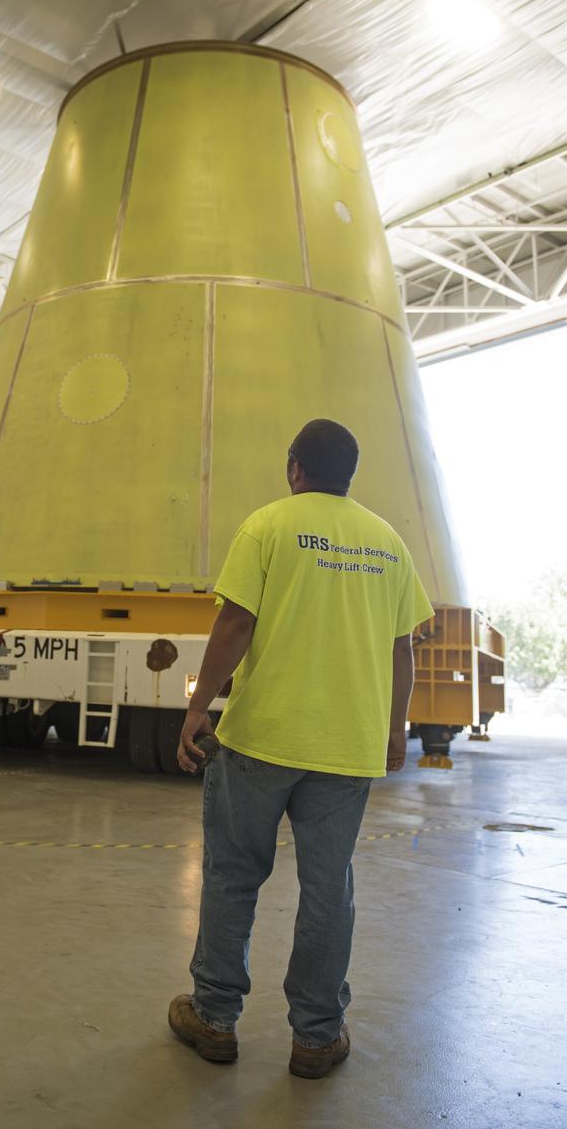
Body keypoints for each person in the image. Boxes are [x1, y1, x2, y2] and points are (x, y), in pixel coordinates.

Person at [168, 418, 434, 1078]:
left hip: (264, 738)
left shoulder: (268, 526)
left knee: (233, 875)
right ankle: (317, 1036)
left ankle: (214, 1017)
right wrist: (396, 726)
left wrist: (198, 707)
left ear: (294, 468)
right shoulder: (388, 543)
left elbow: (236, 621)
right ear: (350, 472)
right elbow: (403, 649)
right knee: (327, 888)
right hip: (346, 748)